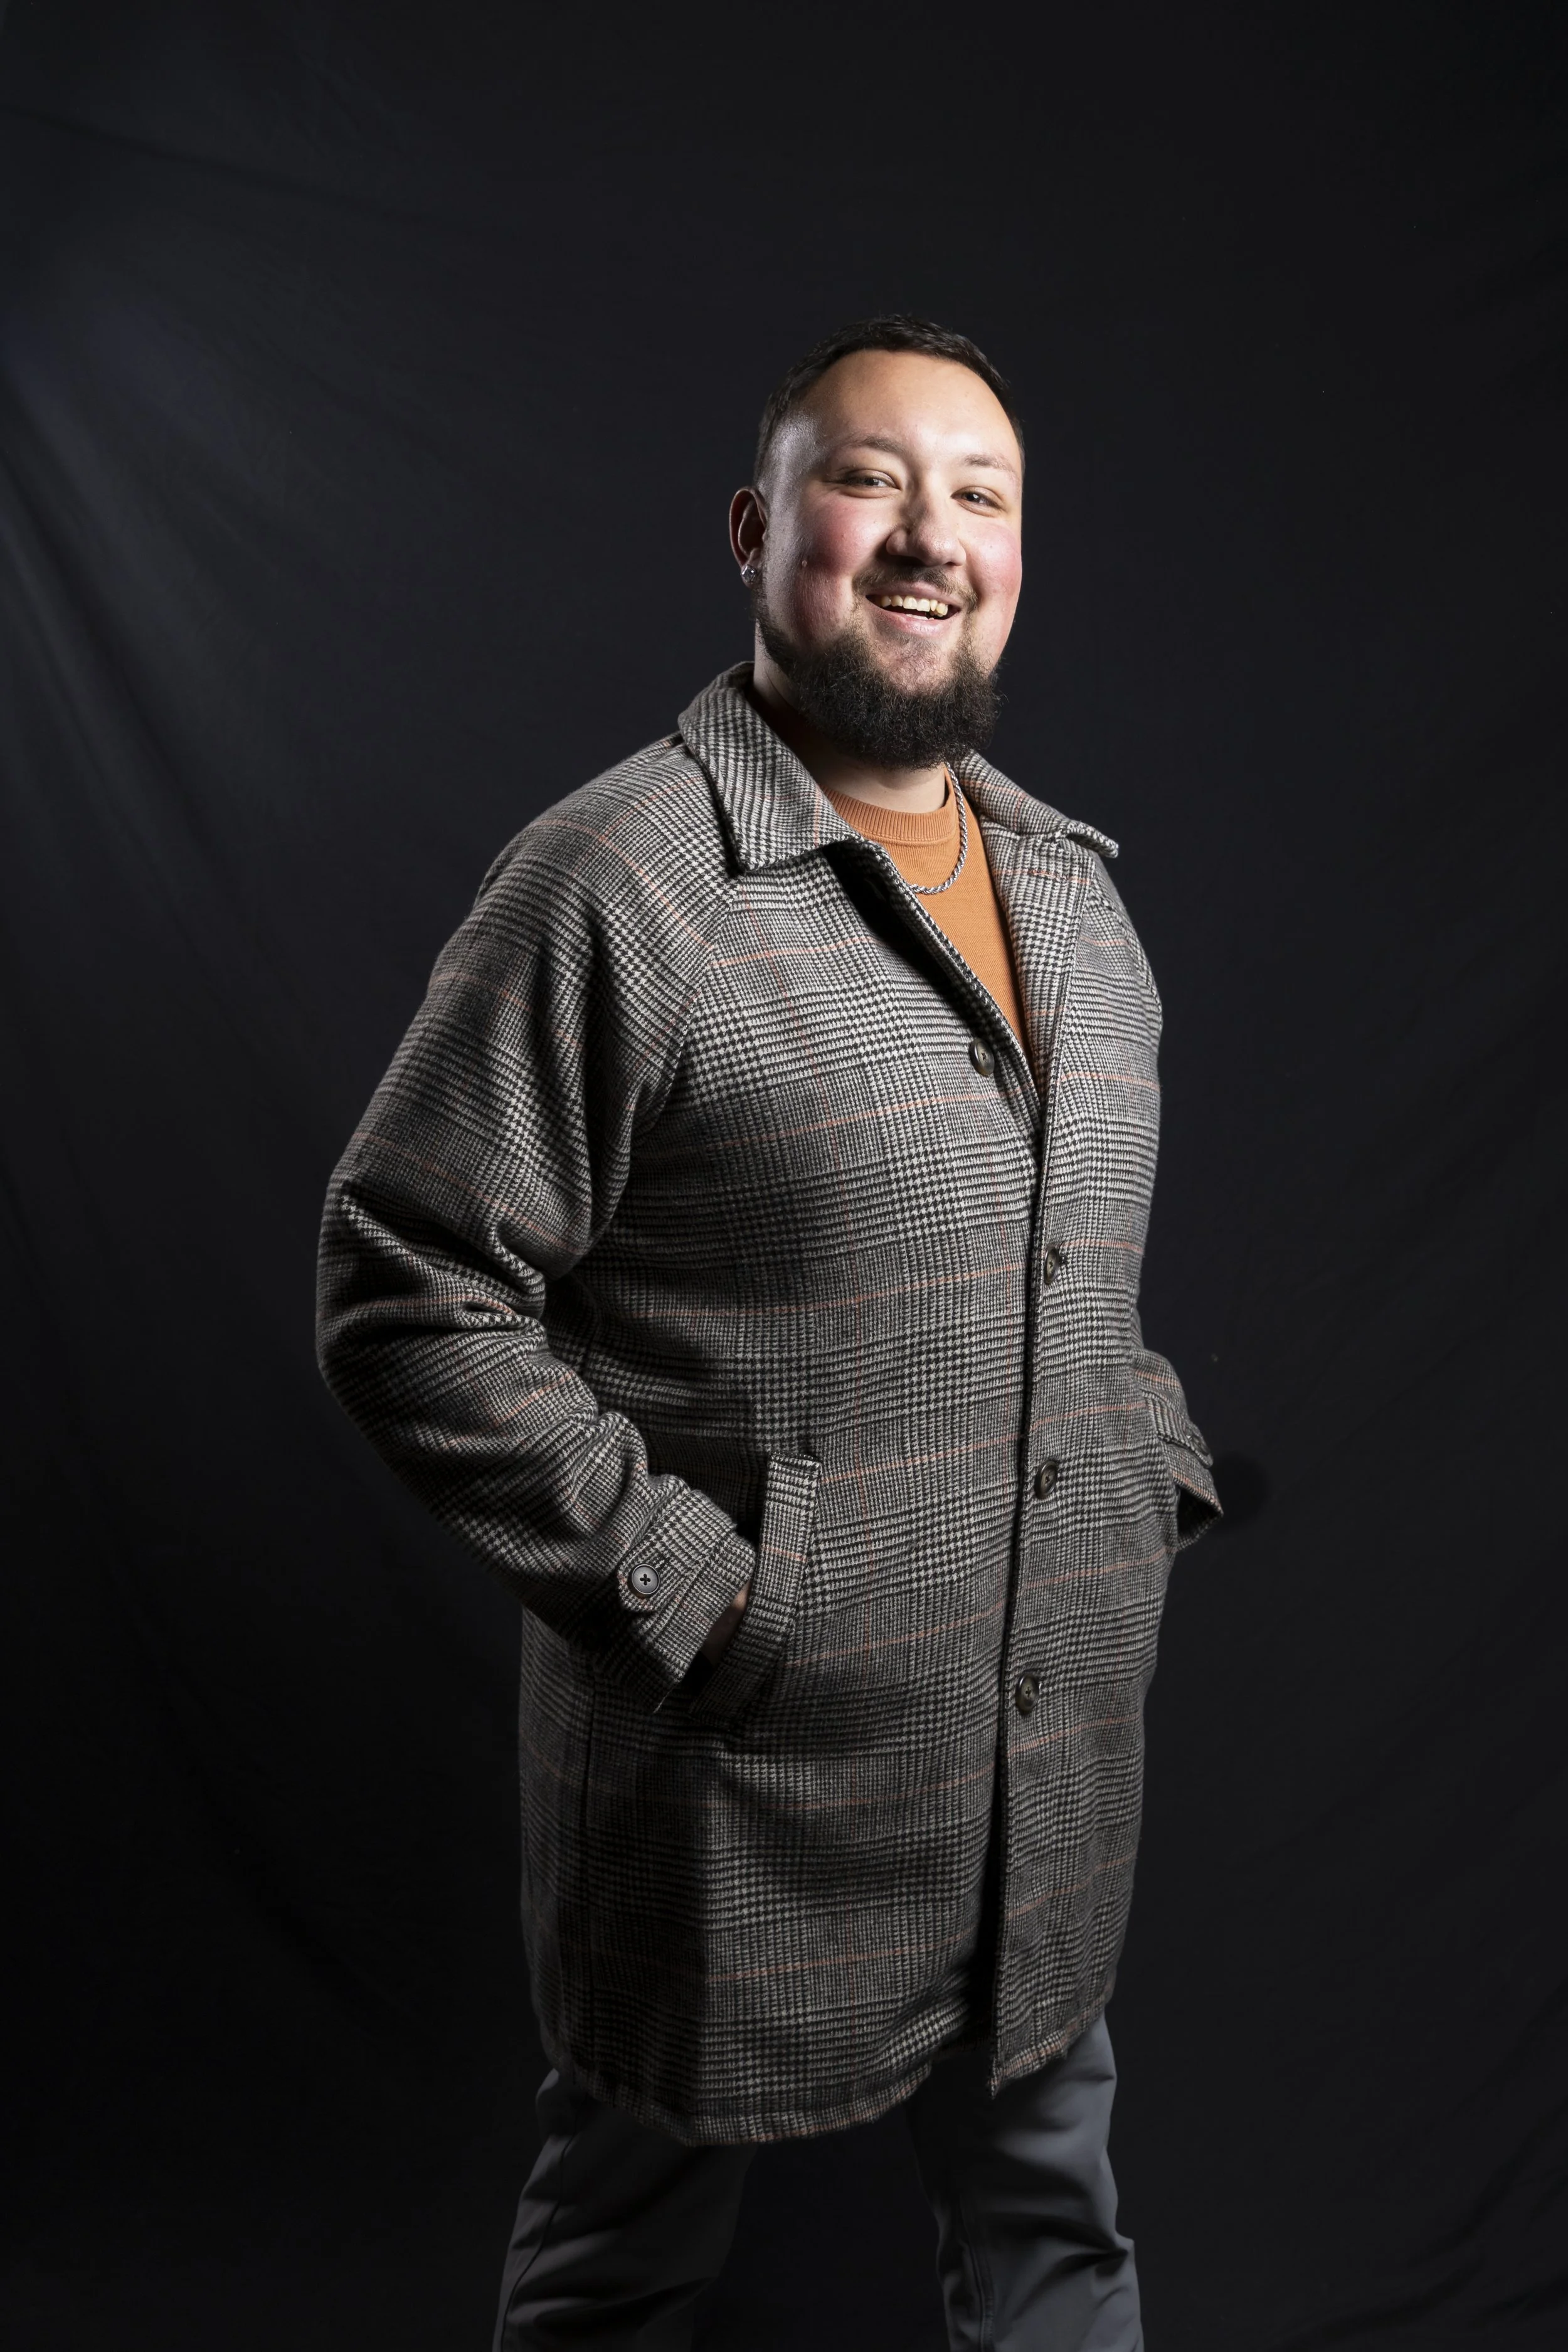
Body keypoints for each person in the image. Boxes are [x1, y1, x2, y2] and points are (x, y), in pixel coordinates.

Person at [316, 315, 1219, 2351]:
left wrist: (1138, 1471)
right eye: (867, 480)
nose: (929, 537)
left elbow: (1081, 1284)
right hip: (732, 1796)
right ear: (756, 527)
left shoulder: (1074, 894)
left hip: (1036, 1777)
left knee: (1059, 2248)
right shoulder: (616, 879)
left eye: (977, 495)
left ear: (1016, 554)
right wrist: (702, 1593)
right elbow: (401, 1278)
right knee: (621, 2273)